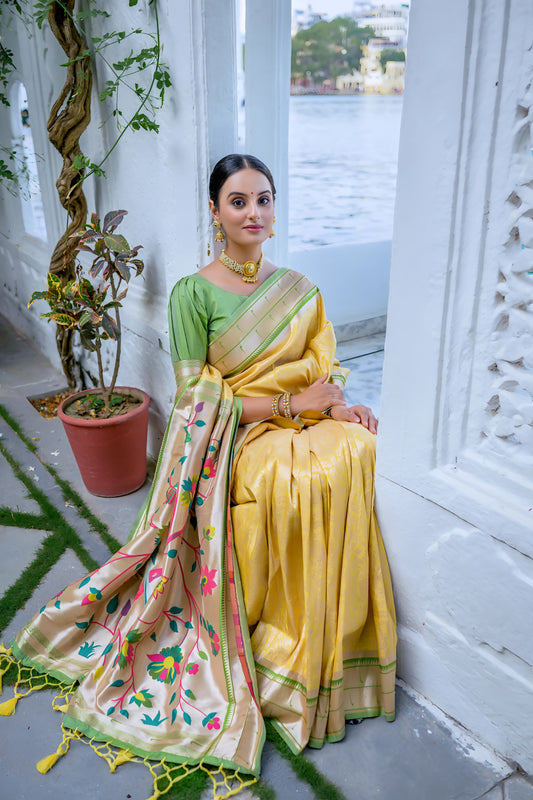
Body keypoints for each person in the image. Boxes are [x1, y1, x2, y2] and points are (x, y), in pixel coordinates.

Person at [1, 154, 396, 796]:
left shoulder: (299, 287)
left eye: (264, 200)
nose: (255, 213)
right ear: (215, 212)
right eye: (239, 201)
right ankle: (271, 640)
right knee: (284, 481)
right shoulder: (194, 292)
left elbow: (325, 364)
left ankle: (327, 647)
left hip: (299, 417)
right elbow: (195, 402)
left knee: (354, 451)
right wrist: (295, 407)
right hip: (232, 436)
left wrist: (340, 404)